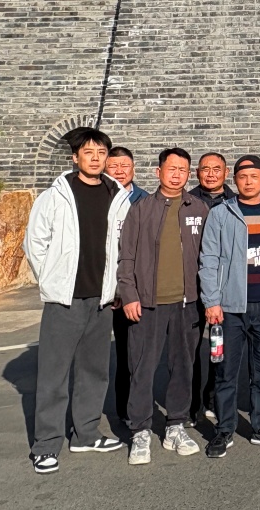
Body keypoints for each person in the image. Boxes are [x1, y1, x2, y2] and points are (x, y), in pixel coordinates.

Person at [23, 127, 130, 474]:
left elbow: (123, 248)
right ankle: (46, 445)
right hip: (64, 300)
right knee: (53, 375)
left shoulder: (118, 196)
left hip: (101, 300)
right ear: (75, 157)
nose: (96, 159)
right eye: (88, 153)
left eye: (101, 153)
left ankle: (86, 434)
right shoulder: (55, 196)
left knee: (94, 372)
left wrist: (116, 289)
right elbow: (35, 243)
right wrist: (51, 281)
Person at [119, 148, 210, 465]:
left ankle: (175, 424)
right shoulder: (141, 209)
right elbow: (126, 256)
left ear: (189, 174)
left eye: (183, 170)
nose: (177, 175)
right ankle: (140, 430)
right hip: (148, 303)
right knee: (142, 368)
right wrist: (129, 294)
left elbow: (208, 255)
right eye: (171, 169)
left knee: (183, 367)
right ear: (158, 172)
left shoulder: (198, 207)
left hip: (187, 303)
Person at [199, 155, 260, 457]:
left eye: (254, 176)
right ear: (234, 180)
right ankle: (224, 429)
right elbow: (209, 259)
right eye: (242, 177)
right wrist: (212, 301)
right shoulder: (222, 213)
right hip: (229, 307)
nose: (248, 181)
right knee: (226, 371)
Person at [188, 152, 235, 426]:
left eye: (217, 169)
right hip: (192, 285)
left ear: (226, 173)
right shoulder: (188, 201)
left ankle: (214, 399)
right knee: (190, 350)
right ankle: (192, 405)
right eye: (205, 169)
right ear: (197, 173)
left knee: (219, 349)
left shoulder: (234, 202)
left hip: (224, 286)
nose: (211, 174)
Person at [105, 146, 148, 427]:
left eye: (125, 166)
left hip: (141, 288)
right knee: (122, 352)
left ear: (133, 168)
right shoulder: (100, 199)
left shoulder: (145, 200)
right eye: (114, 166)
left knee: (141, 353)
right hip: (111, 291)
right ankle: (125, 409)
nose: (120, 171)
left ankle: (141, 406)